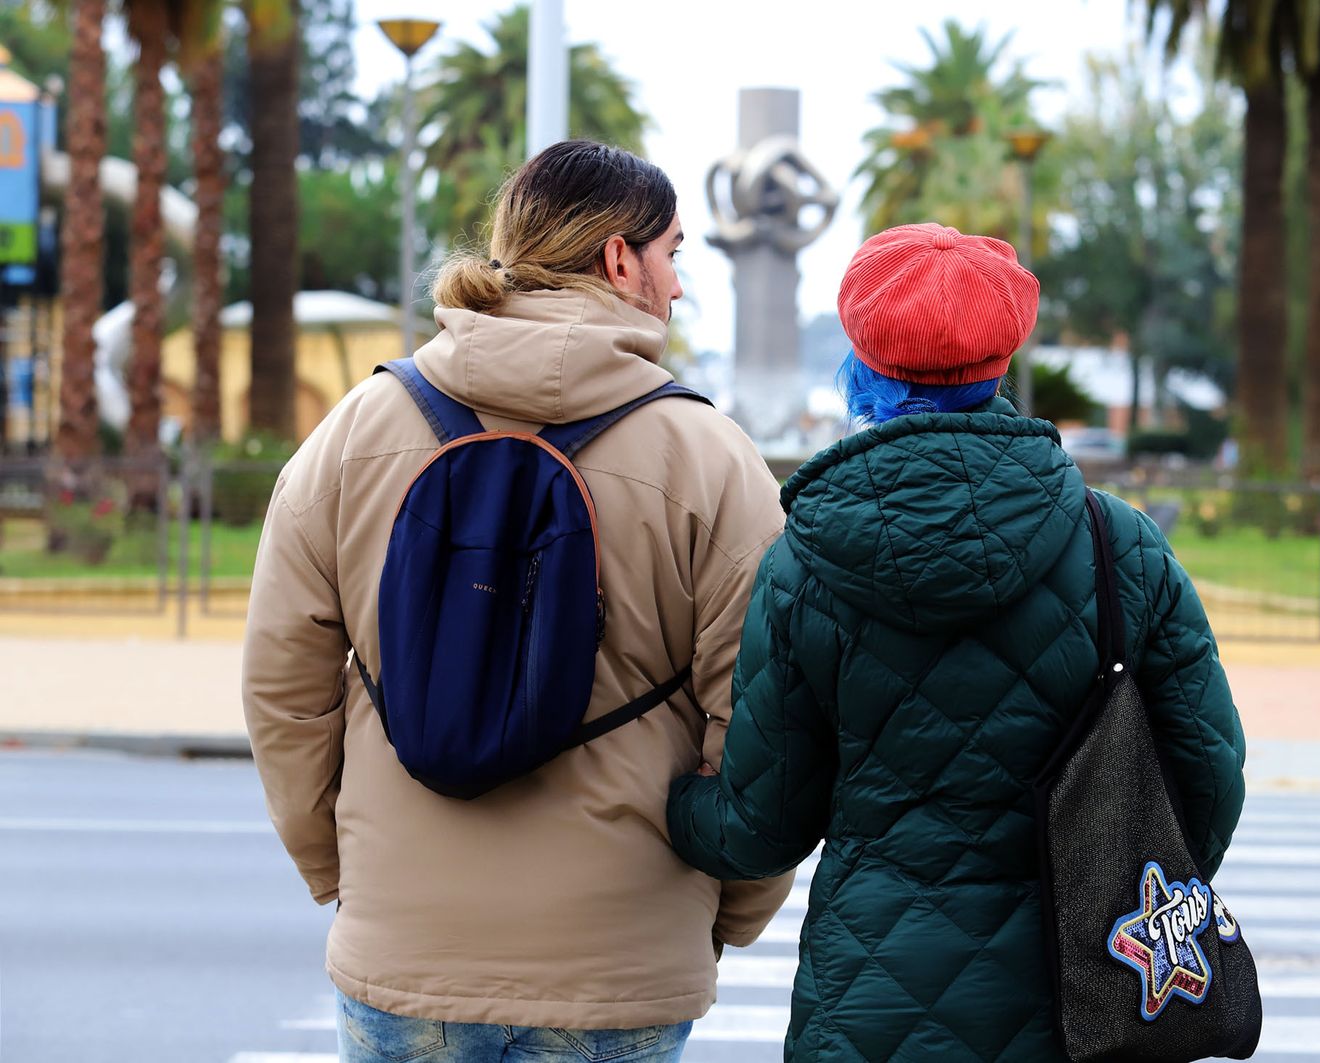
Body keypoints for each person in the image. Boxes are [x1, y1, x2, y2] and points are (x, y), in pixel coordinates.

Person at [242, 140, 792, 1063]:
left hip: (406, 944)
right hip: (620, 957)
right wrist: (727, 906)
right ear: (621, 258)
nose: (679, 286)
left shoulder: (358, 430)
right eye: (675, 255)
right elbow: (765, 715)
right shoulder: (710, 456)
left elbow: (282, 685)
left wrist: (337, 869)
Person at [666, 223, 1247, 1062]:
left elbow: (761, 825)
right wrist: (1117, 886)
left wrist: (671, 806)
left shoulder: (805, 563)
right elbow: (1210, 777)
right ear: (1003, 360)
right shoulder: (1118, 543)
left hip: (867, 1005)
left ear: (862, 362)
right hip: (1085, 1000)